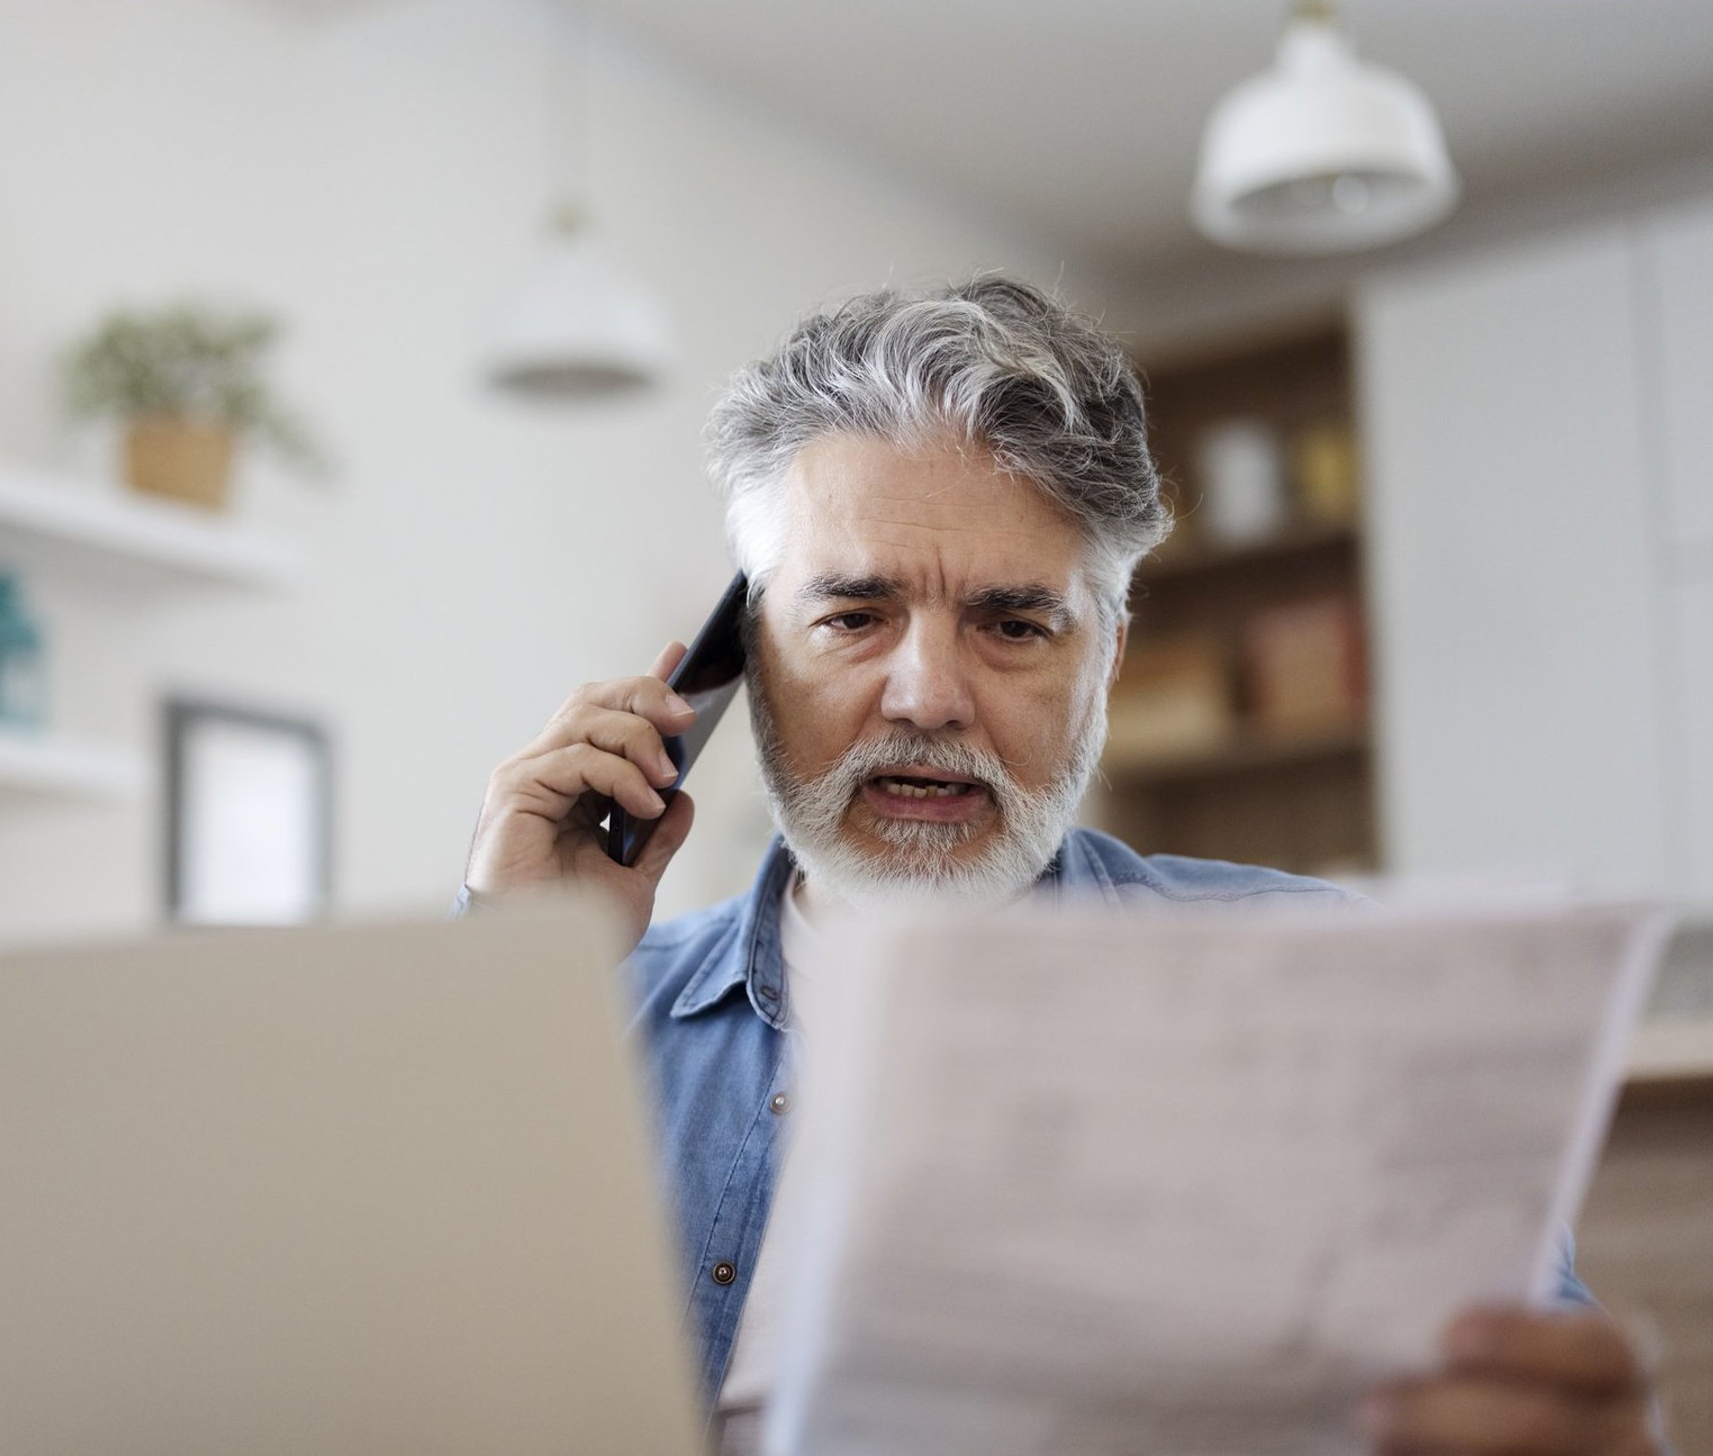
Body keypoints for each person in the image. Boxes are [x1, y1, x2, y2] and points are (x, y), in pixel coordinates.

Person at [460, 277, 1662, 1455]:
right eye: (850, 616)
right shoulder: (580, 1016)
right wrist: (517, 979)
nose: (925, 696)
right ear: (743, 660)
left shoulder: (1322, 986)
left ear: (1108, 658)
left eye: (1013, 624)